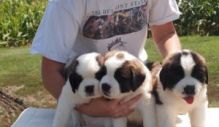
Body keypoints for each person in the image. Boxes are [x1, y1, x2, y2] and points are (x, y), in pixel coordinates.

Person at [31, 0, 181, 118]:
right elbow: (50, 72)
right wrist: (88, 108)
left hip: (135, 80)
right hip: (89, 92)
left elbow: (165, 34)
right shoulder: (65, 3)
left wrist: (176, 69)